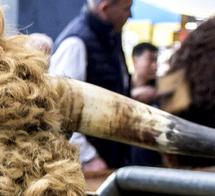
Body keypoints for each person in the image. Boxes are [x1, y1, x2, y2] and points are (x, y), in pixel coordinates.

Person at [49, 0, 133, 172]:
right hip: (88, 167)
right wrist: (88, 156)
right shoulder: (75, 44)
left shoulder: (110, 38)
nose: (130, 15)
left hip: (110, 156)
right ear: (105, 8)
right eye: (127, 9)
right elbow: (58, 110)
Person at [129, 42, 163, 165]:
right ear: (135, 61)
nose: (155, 66)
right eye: (150, 60)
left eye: (156, 61)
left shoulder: (161, 89)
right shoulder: (123, 85)